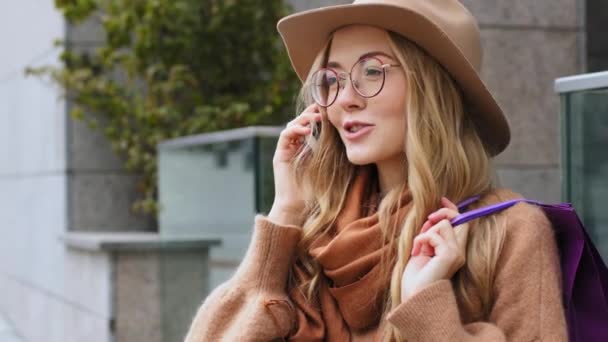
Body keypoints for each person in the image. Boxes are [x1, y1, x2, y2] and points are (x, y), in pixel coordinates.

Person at [184, 0, 568, 341]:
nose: (346, 99)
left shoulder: (508, 232)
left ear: (432, 87)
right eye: (332, 79)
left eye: (371, 71)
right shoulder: (313, 237)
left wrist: (426, 307)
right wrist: (284, 212)